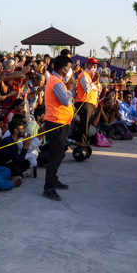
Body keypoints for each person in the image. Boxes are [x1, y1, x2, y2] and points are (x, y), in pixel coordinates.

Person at [42, 53, 76, 200]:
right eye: (69, 68)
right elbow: (66, 101)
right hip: (56, 123)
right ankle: (48, 187)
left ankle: (53, 179)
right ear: (63, 69)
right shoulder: (56, 82)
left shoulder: (57, 80)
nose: (71, 70)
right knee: (55, 156)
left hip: (60, 122)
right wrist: (70, 88)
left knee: (58, 153)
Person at [71, 58, 100, 156]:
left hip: (91, 103)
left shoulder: (92, 76)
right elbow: (87, 89)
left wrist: (96, 81)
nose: (95, 67)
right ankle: (82, 144)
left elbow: (97, 89)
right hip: (84, 102)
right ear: (88, 65)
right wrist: (94, 81)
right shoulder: (83, 75)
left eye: (96, 66)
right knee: (84, 125)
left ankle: (84, 143)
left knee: (87, 125)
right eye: (93, 65)